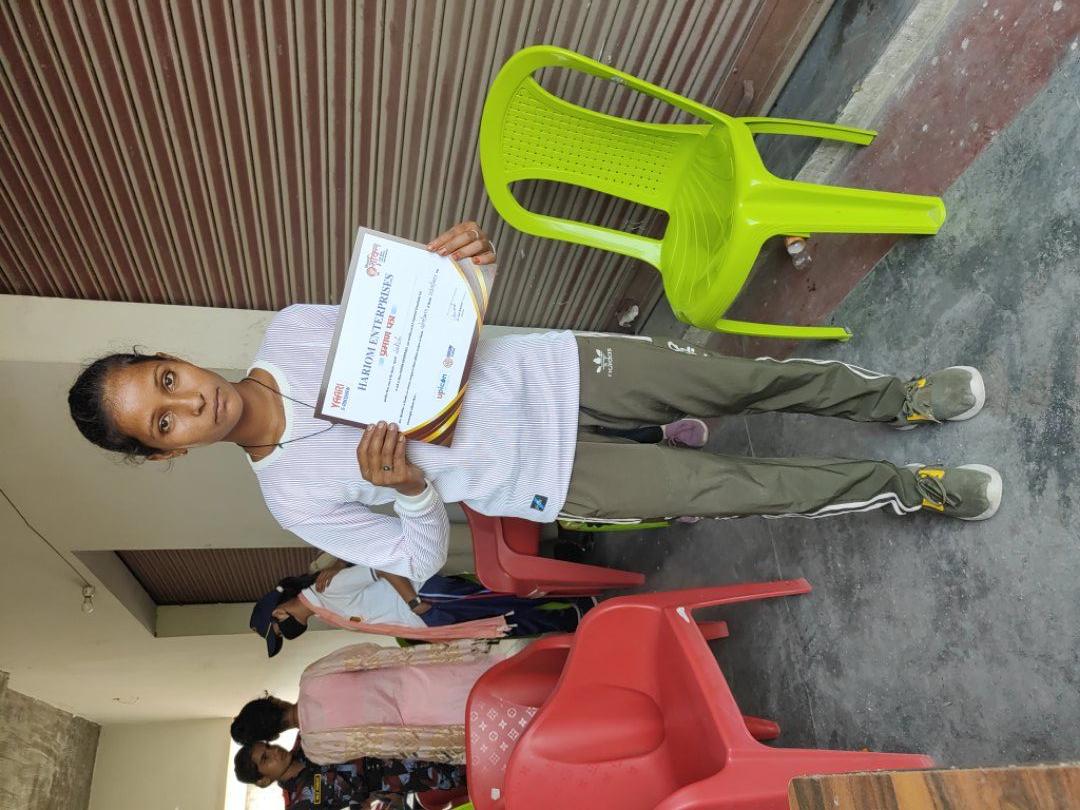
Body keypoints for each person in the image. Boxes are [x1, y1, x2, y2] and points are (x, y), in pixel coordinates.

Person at [68, 221, 1002, 582]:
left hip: (560, 368)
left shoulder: (290, 330)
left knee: (747, 381)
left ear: (175, 359)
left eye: (167, 380)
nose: (188, 403)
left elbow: (417, 329)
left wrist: (452, 274)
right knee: (746, 487)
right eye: (163, 421)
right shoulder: (292, 498)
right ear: (168, 452)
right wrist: (410, 492)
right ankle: (907, 487)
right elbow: (419, 560)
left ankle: (900, 397)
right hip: (554, 475)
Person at [231, 639, 521, 763]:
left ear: (273, 735)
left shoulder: (317, 749)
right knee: (514, 672)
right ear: (273, 702)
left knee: (510, 718)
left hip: (428, 725)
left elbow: (375, 749)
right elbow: (366, 653)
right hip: (422, 678)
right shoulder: (311, 677)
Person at [246, 561, 594, 648]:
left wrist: (414, 603)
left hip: (424, 599)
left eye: (278, 630)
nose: (286, 633)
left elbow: (383, 566)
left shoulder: (326, 589)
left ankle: (574, 595)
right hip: (427, 620)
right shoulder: (324, 610)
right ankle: (572, 616)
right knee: (503, 622)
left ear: (279, 611)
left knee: (502, 599)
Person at [232, 739, 467, 810]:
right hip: (410, 778)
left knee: (466, 743)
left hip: (405, 744)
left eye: (269, 746)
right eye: (266, 758)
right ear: (263, 780)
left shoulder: (307, 742)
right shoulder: (299, 804)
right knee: (466, 774)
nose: (275, 751)